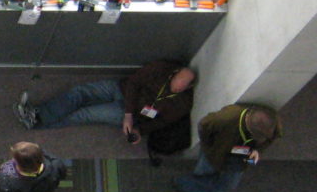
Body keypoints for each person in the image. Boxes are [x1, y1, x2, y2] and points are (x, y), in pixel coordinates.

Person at [18, 60, 196, 151]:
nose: (176, 88)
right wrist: (128, 112)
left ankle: (36, 120)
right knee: (80, 93)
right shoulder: (162, 68)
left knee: (84, 114)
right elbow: (134, 83)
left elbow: (161, 122)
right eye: (175, 82)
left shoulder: (181, 104)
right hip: (123, 92)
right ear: (174, 73)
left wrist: (139, 131)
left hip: (130, 115)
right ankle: (38, 115)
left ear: (187, 88)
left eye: (180, 88)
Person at [173, 103, 281, 192]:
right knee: (204, 172)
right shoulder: (227, 117)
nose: (256, 138)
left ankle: (185, 185)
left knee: (228, 184)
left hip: (241, 153)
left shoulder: (271, 124)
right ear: (247, 120)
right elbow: (204, 125)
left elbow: (269, 139)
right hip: (216, 151)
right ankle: (193, 191)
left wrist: (257, 151)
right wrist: (210, 147)